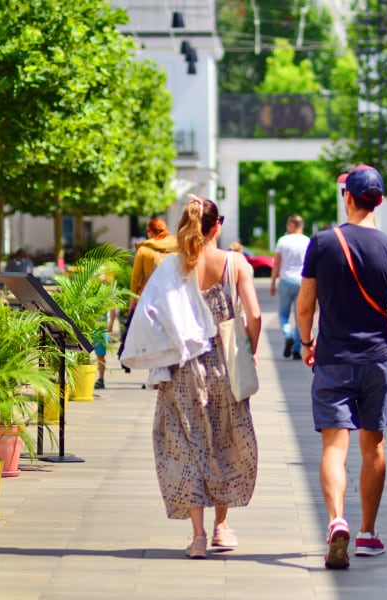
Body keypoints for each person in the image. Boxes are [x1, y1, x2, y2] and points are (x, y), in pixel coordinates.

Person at [121, 195, 261, 560]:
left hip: (183, 369)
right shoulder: (235, 263)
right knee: (226, 440)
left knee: (188, 445)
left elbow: (149, 315)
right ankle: (221, 527)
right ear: (217, 226)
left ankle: (197, 537)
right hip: (225, 367)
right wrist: (252, 351)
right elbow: (255, 315)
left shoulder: (172, 267)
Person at [297, 166, 387, 569]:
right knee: (374, 446)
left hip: (333, 358)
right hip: (378, 360)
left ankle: (336, 520)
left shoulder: (322, 243)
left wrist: (307, 342)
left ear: (348, 196)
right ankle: (366, 532)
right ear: (379, 201)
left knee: (334, 445)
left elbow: (304, 303)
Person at [271, 215, 310, 360]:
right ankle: (296, 350)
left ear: (292, 225)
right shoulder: (307, 241)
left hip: (286, 280)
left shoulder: (283, 241)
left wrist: (273, 282)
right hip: (302, 282)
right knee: (300, 316)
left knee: (282, 314)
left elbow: (277, 263)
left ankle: (288, 335)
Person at [129, 217, 178, 313]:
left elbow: (135, 278)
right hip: (172, 296)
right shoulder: (177, 248)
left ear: (151, 232)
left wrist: (132, 300)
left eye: (147, 231)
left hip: (149, 298)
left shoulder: (144, 250)